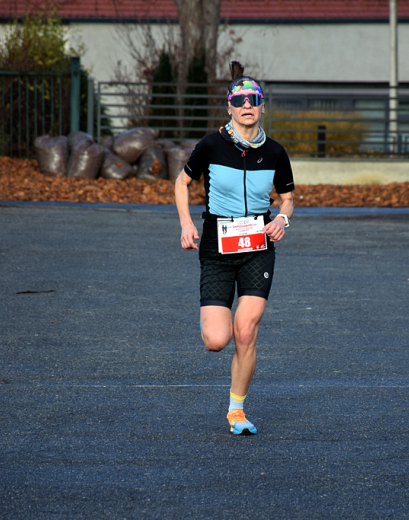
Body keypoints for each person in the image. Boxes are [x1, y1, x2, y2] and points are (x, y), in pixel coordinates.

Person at [174, 61, 295, 435]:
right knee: (217, 341)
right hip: (216, 244)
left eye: (253, 100)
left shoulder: (275, 152)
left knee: (246, 332)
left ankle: (236, 410)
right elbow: (181, 183)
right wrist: (187, 224)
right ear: (229, 106)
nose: (247, 106)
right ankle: (215, 320)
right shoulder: (210, 145)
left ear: (261, 107)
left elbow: (288, 199)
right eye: (240, 100)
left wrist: (282, 219)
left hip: (258, 244)